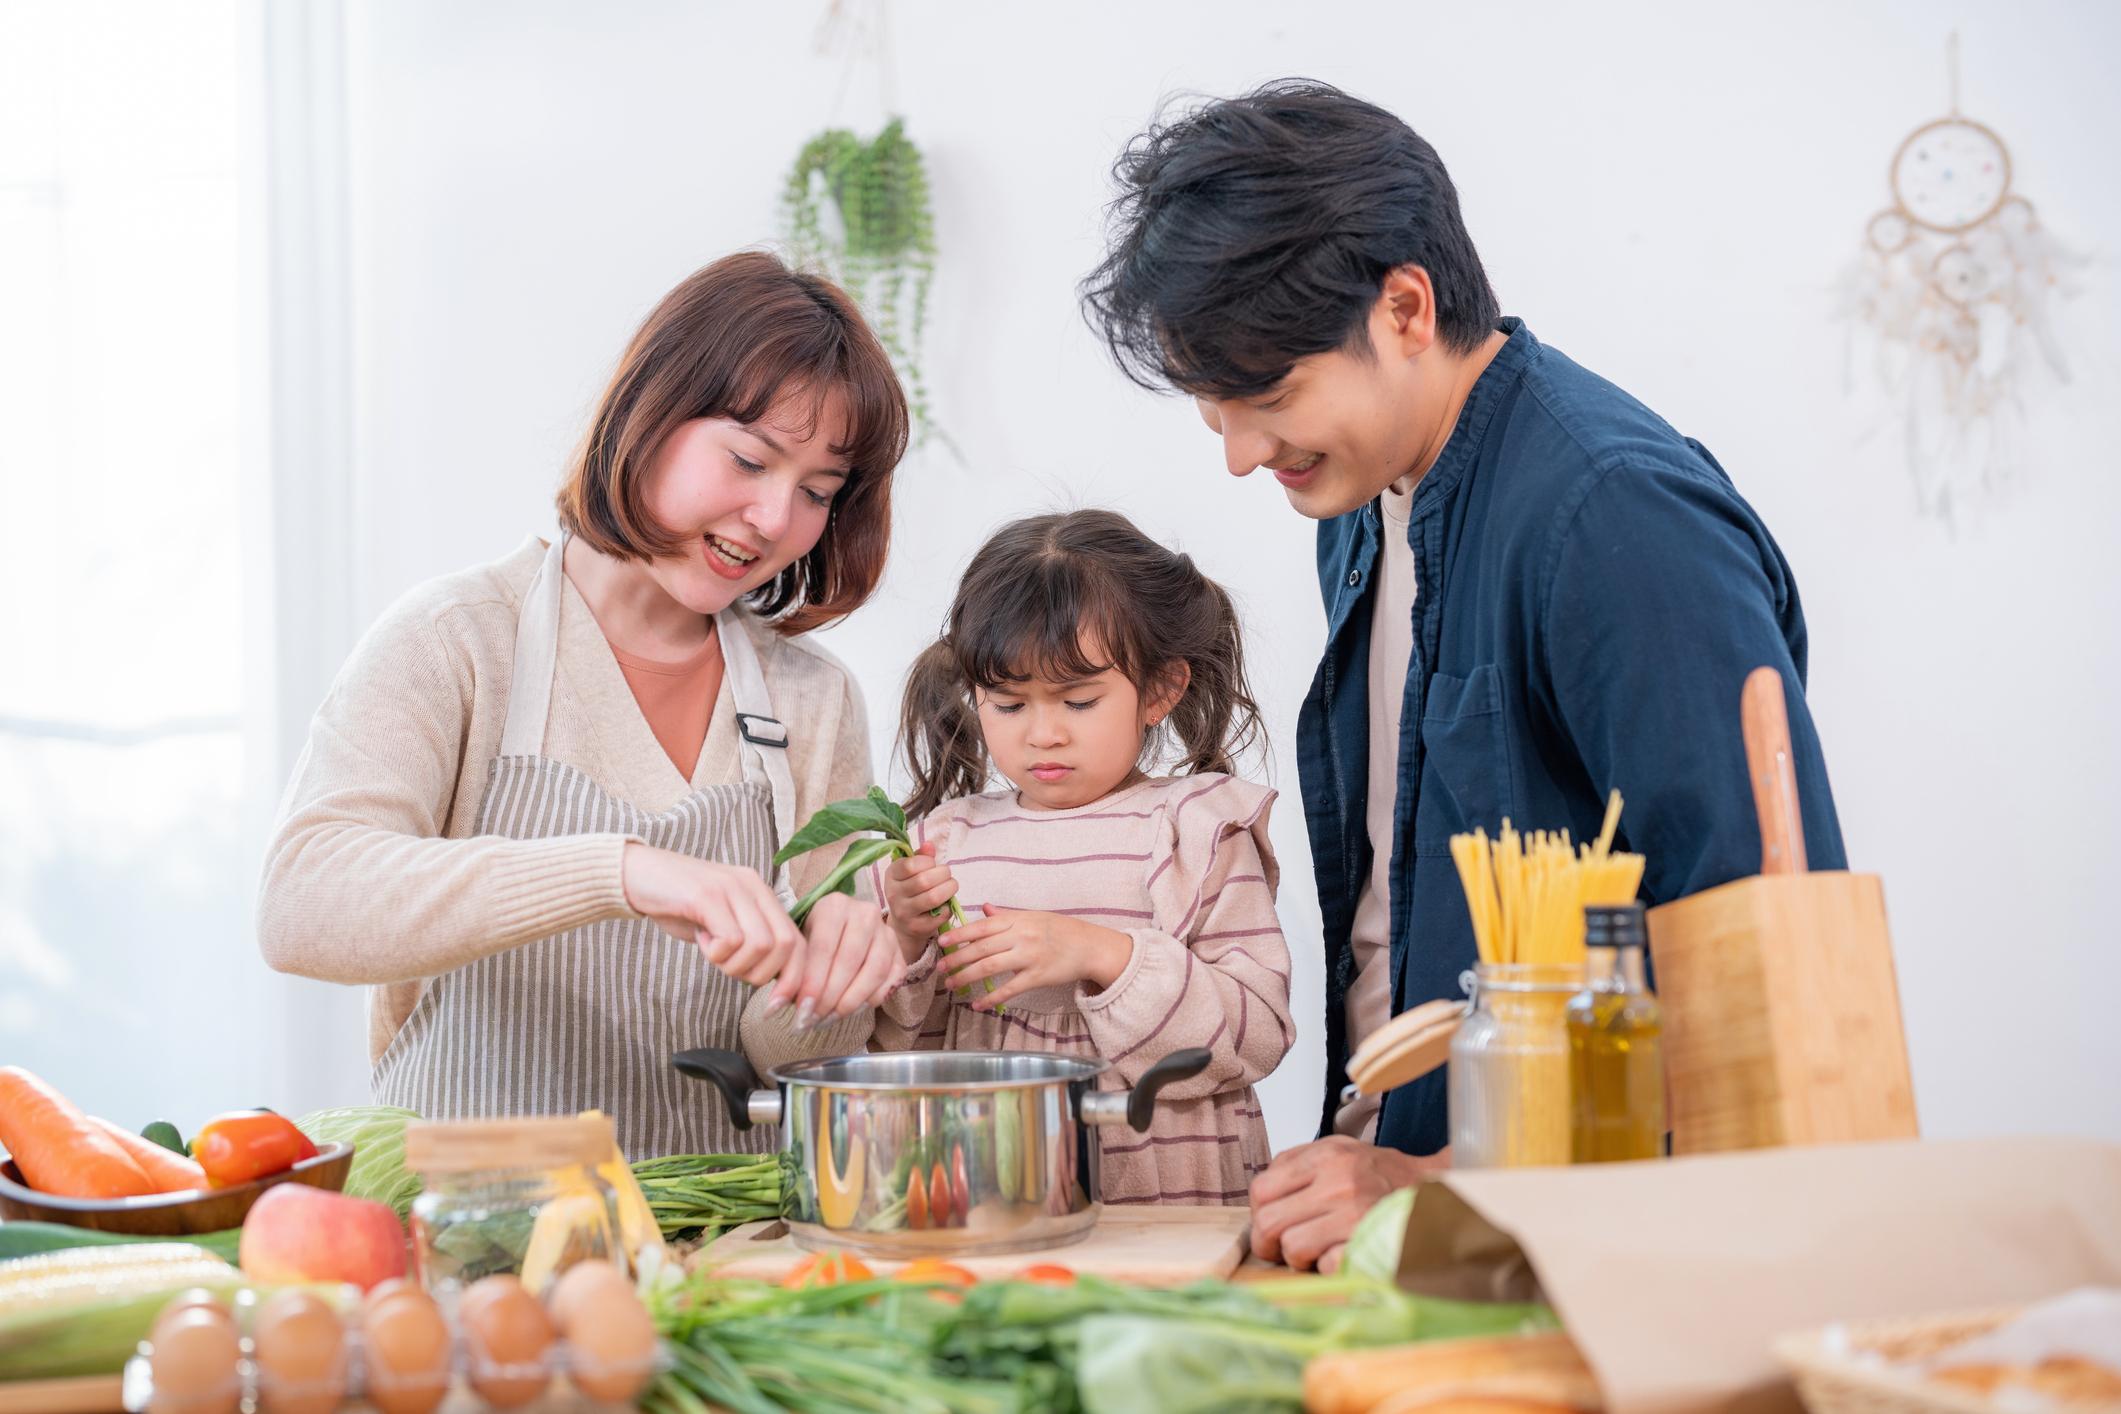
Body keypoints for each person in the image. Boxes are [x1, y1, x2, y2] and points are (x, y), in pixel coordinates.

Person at [1082, 80, 1845, 1265]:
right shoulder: (1364, 497)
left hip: (1600, 1266)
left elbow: (1762, 988)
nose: (1240, 457)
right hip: (1419, 1233)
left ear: (1403, 307)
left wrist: (1437, 1180)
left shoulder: (1613, 514)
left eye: (1271, 400)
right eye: (1213, 411)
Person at [258, 252, 911, 1157]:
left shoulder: (813, 700)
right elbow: (304, 907)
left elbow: (786, 1057)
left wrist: (836, 979)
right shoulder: (460, 639)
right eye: (750, 460)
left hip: (728, 1248)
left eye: (814, 493)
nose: (771, 518)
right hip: (480, 1245)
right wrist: (622, 873)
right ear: (649, 414)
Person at [872, 509, 1295, 1205]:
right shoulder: (947, 841)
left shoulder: (1194, 830)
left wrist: (1106, 956)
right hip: (994, 1193)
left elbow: (1254, 1037)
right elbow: (898, 1055)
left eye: (1077, 700)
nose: (1044, 735)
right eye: (1008, 706)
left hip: (1168, 1200)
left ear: (1160, 690)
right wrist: (905, 941)